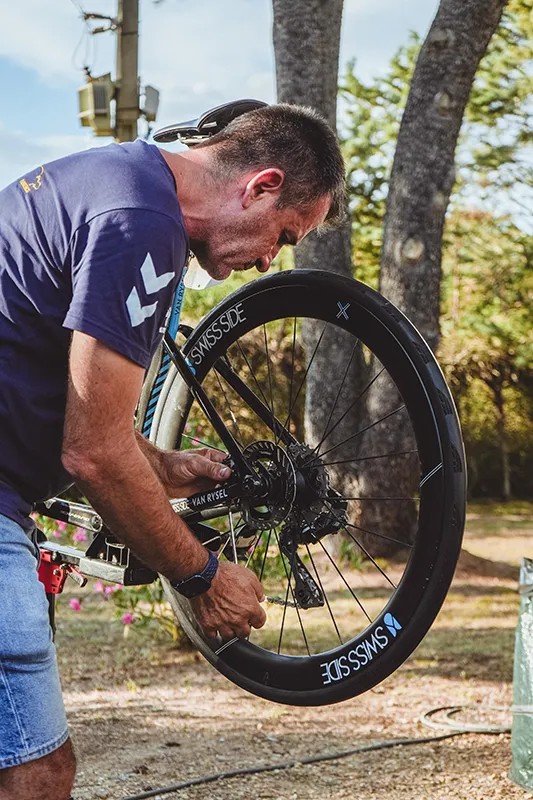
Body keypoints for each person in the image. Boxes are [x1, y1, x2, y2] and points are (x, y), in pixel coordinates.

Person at [0, 102, 345, 800]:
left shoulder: (122, 183)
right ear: (260, 185)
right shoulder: (141, 222)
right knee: (34, 773)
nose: (268, 260)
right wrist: (203, 577)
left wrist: (159, 466)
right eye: (283, 233)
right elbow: (92, 454)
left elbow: (78, 408)